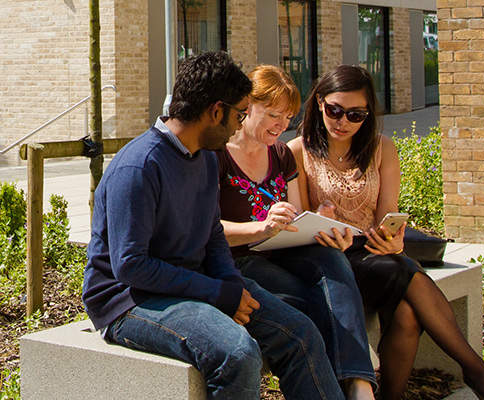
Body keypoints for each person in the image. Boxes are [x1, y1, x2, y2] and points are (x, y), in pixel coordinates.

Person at [82, 51, 343, 400]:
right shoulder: (139, 168)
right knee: (237, 354)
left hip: (191, 283)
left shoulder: (205, 158)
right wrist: (218, 294)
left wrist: (231, 286)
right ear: (216, 111)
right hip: (129, 301)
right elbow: (130, 266)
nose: (241, 123)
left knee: (300, 332)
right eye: (240, 113)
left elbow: (212, 234)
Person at [286, 65, 484, 400]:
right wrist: (320, 219)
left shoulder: (382, 148)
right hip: (330, 259)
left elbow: (388, 213)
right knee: (407, 275)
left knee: (407, 312)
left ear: (368, 115)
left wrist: (394, 238)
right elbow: (299, 221)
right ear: (318, 104)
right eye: (335, 110)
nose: (343, 121)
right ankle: (477, 372)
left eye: (355, 114)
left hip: (375, 253)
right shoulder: (297, 151)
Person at [215, 65, 375, 400]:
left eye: (288, 116)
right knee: (309, 303)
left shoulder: (282, 153)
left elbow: (298, 218)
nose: (282, 125)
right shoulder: (218, 155)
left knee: (332, 258)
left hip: (283, 250)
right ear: (247, 107)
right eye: (273, 114)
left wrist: (323, 221)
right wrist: (261, 226)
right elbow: (206, 229)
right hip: (241, 259)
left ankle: (360, 387)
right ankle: (356, 370)